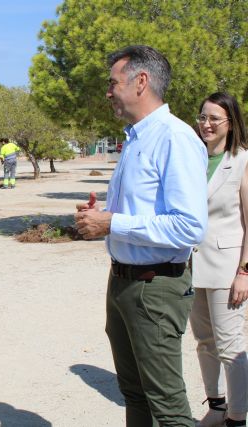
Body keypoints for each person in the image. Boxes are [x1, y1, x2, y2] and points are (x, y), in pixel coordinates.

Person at [75, 45, 208, 426]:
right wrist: (97, 217)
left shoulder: (174, 139)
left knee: (167, 407)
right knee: (135, 396)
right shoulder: (136, 139)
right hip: (123, 284)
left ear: (141, 82)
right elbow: (137, 212)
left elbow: (189, 225)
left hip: (155, 287)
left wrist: (112, 222)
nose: (108, 92)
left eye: (113, 83)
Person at [190, 92, 248, 427]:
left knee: (230, 346)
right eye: (202, 117)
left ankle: (238, 417)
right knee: (204, 343)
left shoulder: (242, 160)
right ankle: (216, 406)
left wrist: (244, 271)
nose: (206, 124)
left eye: (214, 118)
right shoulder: (193, 158)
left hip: (228, 269)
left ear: (231, 122)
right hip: (193, 266)